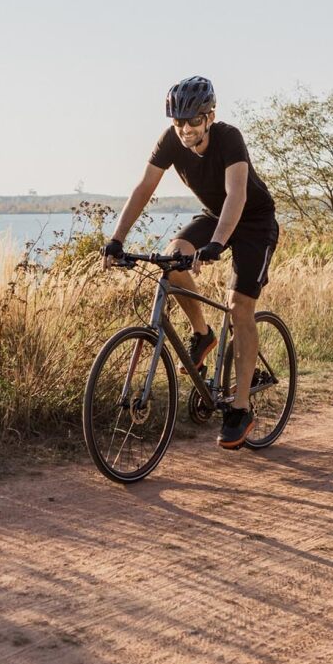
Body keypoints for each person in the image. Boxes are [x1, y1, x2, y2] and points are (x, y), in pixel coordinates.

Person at [103, 76, 280, 449]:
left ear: (209, 116)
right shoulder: (171, 140)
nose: (185, 130)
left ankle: (242, 408)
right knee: (175, 254)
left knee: (240, 306)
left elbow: (237, 195)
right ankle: (203, 334)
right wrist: (116, 240)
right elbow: (144, 188)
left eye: (193, 121)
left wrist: (217, 244)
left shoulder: (229, 138)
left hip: (253, 220)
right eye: (178, 122)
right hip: (216, 215)